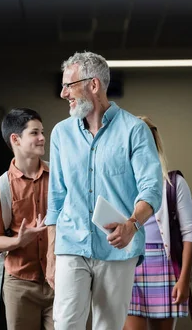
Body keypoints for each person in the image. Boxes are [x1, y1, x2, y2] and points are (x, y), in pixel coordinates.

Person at [44, 51, 163, 330]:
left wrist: (132, 225)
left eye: (69, 85)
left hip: (118, 247)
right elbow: (56, 198)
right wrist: (51, 254)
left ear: (93, 85)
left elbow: (152, 189)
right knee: (65, 324)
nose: (63, 94)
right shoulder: (61, 134)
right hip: (71, 244)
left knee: (108, 326)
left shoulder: (134, 130)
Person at [124, 116, 192, 330]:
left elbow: (190, 234)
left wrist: (184, 280)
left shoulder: (174, 183)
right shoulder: (119, 184)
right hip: (129, 264)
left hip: (163, 266)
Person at [0, 108, 53, 330]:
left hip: (60, 279)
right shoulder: (0, 188)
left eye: (42, 132)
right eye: (35, 133)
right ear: (15, 139)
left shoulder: (58, 178)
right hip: (19, 282)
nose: (42, 137)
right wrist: (18, 241)